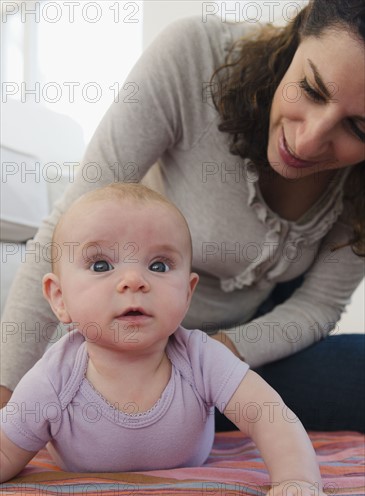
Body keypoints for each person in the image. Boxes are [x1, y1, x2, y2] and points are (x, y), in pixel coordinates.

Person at [1, 0, 364, 431]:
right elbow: (66, 231)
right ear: (299, 33)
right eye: (310, 88)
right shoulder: (194, 58)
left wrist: (208, 359)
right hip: (121, 346)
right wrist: (7, 398)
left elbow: (319, 304)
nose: (307, 142)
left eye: (358, 128)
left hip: (235, 351)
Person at [0, 184, 340, 496]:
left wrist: (296, 481)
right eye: (101, 264)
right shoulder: (53, 377)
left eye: (159, 266)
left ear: (188, 292)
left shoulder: (201, 357)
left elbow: (269, 416)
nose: (133, 281)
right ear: (59, 298)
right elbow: (6, 450)